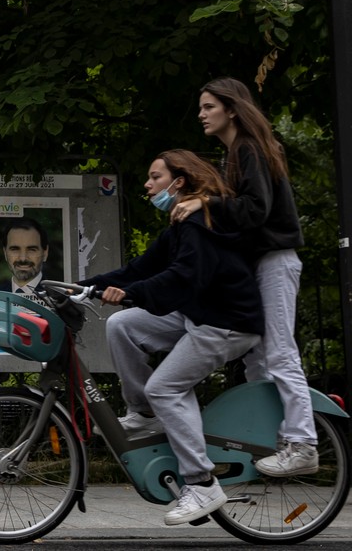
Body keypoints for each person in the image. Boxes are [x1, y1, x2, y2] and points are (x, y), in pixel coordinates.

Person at [81, 149, 263, 526]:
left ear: (179, 182)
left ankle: (202, 482)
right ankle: (145, 415)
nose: (147, 185)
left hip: (226, 323)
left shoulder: (199, 222)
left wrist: (133, 294)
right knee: (122, 325)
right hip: (197, 314)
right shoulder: (180, 224)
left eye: (155, 177)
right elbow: (138, 269)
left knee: (165, 387)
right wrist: (78, 289)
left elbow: (183, 277)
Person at [172, 77, 317, 477]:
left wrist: (205, 202)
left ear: (231, 109)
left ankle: (303, 442)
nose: (201, 114)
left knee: (279, 351)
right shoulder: (235, 154)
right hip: (259, 262)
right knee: (257, 356)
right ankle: (270, 438)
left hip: (274, 260)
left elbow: (255, 210)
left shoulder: (249, 149)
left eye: (208, 107)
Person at [0, 217, 51, 293]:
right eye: (15, 249)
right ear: (5, 253)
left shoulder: (60, 298)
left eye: (31, 249)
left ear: (45, 253)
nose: (23, 258)